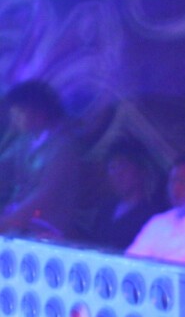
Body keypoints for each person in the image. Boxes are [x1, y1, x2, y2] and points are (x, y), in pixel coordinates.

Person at [0, 79, 84, 240]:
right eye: (13, 113)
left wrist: (10, 221)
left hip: (48, 229)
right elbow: (3, 168)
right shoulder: (23, 142)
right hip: (19, 224)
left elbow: (45, 194)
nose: (14, 118)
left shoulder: (63, 147)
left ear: (40, 111)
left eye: (20, 112)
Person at [84, 137, 165, 250]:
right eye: (112, 168)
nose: (118, 174)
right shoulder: (105, 209)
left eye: (123, 166)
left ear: (140, 171)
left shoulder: (153, 217)